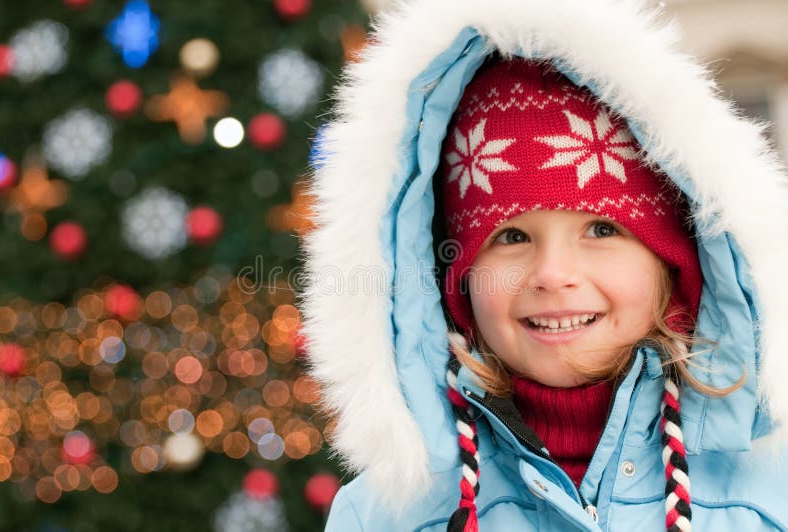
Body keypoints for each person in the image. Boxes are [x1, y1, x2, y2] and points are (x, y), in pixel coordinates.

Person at [299, 0, 788, 530]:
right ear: (458, 282)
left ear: (674, 261)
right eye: (511, 237)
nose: (553, 274)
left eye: (602, 230)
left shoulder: (769, 493)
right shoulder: (384, 515)